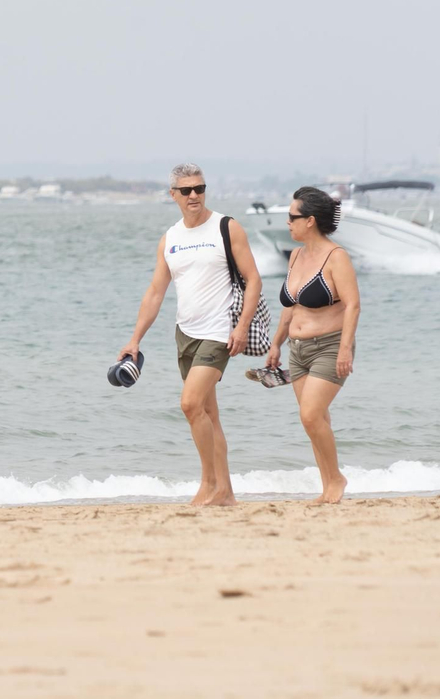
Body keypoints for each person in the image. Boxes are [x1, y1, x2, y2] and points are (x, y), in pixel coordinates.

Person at [118, 163, 262, 507]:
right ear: (174, 195)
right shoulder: (170, 239)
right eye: (187, 191)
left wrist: (241, 327)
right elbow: (155, 292)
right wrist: (135, 339)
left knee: (190, 403)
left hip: (218, 333)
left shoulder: (226, 227)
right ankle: (225, 493)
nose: (194, 195)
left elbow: (254, 279)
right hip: (186, 334)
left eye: (200, 188)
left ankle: (208, 485)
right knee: (208, 415)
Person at [263, 186, 361, 504]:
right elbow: (291, 307)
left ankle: (337, 479)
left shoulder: (337, 257)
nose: (287, 222)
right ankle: (328, 486)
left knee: (309, 415)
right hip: (298, 351)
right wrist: (276, 344)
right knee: (317, 420)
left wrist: (345, 349)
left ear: (310, 221)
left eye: (292, 217)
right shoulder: (295, 255)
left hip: (330, 347)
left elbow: (353, 305)